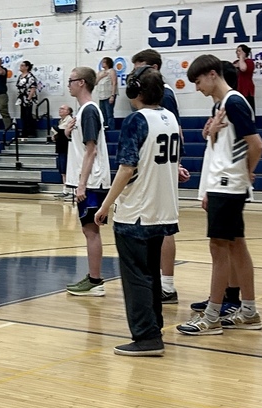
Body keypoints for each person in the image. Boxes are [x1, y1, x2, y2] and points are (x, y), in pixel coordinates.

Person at [176, 54, 262, 336]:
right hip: (222, 184)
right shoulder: (222, 105)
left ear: (213, 74)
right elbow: (229, 146)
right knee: (236, 246)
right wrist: (211, 135)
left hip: (228, 185)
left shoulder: (234, 102)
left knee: (219, 249)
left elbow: (257, 144)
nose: (197, 87)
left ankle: (213, 315)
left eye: (199, 81)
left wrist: (247, 172)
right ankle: (249, 310)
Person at [94, 68, 180, 356]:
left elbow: (128, 167)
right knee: (151, 274)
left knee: (136, 277)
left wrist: (106, 204)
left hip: (137, 211)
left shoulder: (136, 120)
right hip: (163, 209)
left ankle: (146, 338)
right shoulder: (170, 118)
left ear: (135, 91)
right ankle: (153, 329)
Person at [131, 48, 187, 304]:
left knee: (164, 227)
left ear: (152, 68)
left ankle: (167, 284)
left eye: (139, 67)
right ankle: (158, 282)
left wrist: (175, 163)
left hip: (161, 166)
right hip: (155, 166)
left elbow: (175, 130)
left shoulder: (165, 94)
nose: (135, 72)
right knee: (157, 226)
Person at [64, 67, 111, 296]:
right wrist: (67, 133)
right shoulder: (83, 112)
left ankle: (95, 280)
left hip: (92, 181)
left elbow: (91, 151)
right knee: (88, 230)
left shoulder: (90, 110)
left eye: (71, 80)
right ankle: (94, 277)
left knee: (91, 231)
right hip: (88, 180)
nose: (68, 84)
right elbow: (82, 145)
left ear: (81, 82)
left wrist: (81, 184)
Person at [51, 103, 75, 200]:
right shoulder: (60, 121)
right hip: (61, 147)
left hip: (67, 147)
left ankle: (71, 190)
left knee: (67, 168)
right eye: (60, 108)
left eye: (62, 109)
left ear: (68, 111)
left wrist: (55, 131)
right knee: (62, 169)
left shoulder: (69, 119)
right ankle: (65, 190)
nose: (60, 110)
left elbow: (59, 130)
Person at [15, 60, 39, 137]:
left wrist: (29, 99)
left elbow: (33, 88)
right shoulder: (20, 76)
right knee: (23, 115)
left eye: (22, 65)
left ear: (27, 67)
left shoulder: (30, 77)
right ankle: (24, 131)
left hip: (28, 97)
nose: (20, 67)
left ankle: (31, 132)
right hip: (21, 98)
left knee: (28, 115)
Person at [95, 57, 117, 130]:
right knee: (102, 113)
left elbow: (114, 83)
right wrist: (101, 77)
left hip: (109, 95)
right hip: (101, 95)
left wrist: (112, 95)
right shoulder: (100, 72)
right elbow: (95, 82)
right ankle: (104, 127)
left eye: (104, 62)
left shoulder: (111, 71)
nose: (102, 63)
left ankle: (111, 128)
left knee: (109, 113)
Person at [234, 45, 256, 111]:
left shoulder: (249, 62)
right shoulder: (235, 62)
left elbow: (243, 68)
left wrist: (241, 57)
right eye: (237, 51)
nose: (237, 52)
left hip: (246, 90)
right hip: (237, 89)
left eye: (239, 51)